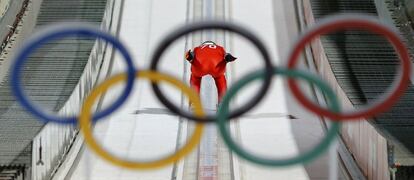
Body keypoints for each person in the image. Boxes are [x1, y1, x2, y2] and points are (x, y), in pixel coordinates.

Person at [185, 41, 237, 105]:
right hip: (217, 66)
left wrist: (190, 56)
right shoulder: (220, 48)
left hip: (200, 65)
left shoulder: (197, 48)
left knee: (195, 78)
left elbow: (192, 55)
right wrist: (227, 57)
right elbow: (225, 55)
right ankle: (223, 103)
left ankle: (194, 102)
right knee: (220, 78)